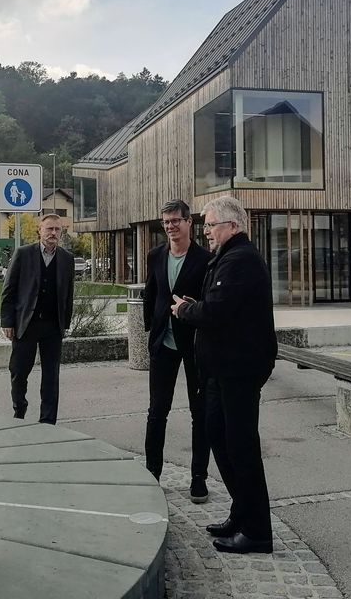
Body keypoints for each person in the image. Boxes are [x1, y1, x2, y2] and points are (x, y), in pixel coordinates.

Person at [172, 195, 276, 554]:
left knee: (241, 448)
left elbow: (217, 311)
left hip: (239, 369)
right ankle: (241, 513)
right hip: (221, 369)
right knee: (218, 436)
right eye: (205, 224)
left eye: (211, 224)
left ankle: (257, 532)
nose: (206, 231)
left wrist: (185, 310)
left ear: (233, 226)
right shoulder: (226, 257)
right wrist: (195, 308)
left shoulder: (241, 259)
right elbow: (218, 306)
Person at [143, 199, 211, 502]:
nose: (170, 226)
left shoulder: (205, 259)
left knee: (200, 413)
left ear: (189, 223)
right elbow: (151, 293)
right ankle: (152, 474)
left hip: (195, 344)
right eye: (166, 222)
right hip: (163, 343)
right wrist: (151, 327)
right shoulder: (155, 255)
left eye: (176, 221)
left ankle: (199, 478)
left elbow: (208, 302)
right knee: (157, 411)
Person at [0, 213, 75, 424]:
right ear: (39, 231)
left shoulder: (66, 258)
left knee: (51, 375)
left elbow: (68, 293)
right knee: (19, 372)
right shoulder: (23, 254)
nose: (53, 233)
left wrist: (65, 323)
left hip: (53, 325)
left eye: (57, 230)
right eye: (49, 229)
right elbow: (9, 290)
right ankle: (19, 410)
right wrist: (7, 321)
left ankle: (48, 421)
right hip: (26, 324)